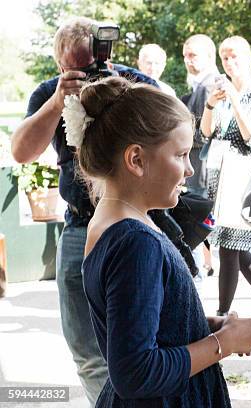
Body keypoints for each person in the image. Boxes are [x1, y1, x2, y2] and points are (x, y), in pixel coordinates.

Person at [69, 76, 251, 406]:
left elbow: (143, 320)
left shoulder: (114, 218)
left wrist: (210, 325)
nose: (189, 170)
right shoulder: (135, 242)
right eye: (181, 155)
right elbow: (135, 371)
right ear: (136, 160)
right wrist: (223, 343)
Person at [10, 17, 157, 406]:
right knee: (86, 347)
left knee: (147, 336)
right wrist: (58, 102)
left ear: (106, 53)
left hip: (138, 223)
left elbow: (173, 130)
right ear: (60, 66)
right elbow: (22, 152)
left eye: (92, 64)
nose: (87, 75)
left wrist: (120, 90)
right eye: (76, 68)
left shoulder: (133, 82)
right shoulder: (51, 92)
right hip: (79, 226)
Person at [200, 36, 251, 322]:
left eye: (234, 57)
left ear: (248, 57)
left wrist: (234, 99)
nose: (229, 63)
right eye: (225, 58)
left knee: (232, 247)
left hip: (243, 176)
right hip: (219, 174)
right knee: (233, 246)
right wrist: (209, 105)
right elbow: (205, 134)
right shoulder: (221, 95)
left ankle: (221, 313)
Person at [181, 34, 220, 276]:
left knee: (194, 225)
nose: (188, 60)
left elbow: (202, 133)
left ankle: (194, 277)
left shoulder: (210, 85)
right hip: (197, 167)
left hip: (202, 168)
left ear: (208, 56)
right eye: (185, 55)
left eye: (193, 55)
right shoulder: (200, 84)